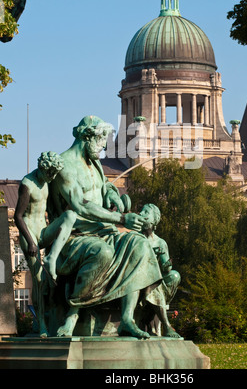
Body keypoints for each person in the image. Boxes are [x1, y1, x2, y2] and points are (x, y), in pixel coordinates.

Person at [49, 115, 163, 338]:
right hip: (73, 237)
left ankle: (127, 319)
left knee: (139, 244)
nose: (102, 149)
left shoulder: (95, 164)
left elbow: (105, 187)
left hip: (103, 232)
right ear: (88, 136)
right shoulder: (64, 166)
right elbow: (79, 205)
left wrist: (114, 196)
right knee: (102, 252)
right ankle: (72, 315)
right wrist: (121, 220)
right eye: (101, 142)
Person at [14, 151, 77, 337]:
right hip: (30, 234)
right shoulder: (27, 184)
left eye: (54, 174)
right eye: (50, 173)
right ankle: (41, 323)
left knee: (70, 216)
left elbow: (57, 211)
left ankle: (53, 257)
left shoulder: (48, 182)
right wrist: (31, 242)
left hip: (43, 231)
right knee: (39, 280)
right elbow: (18, 216)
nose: (52, 177)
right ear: (43, 168)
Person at [138, 204, 181, 338]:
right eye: (141, 211)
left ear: (154, 220)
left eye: (146, 212)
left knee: (174, 276)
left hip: (154, 279)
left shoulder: (160, 242)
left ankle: (149, 320)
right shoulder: (135, 238)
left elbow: (166, 269)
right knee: (155, 284)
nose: (141, 213)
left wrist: (166, 264)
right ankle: (166, 326)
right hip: (138, 278)